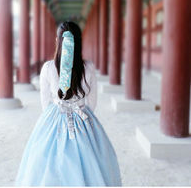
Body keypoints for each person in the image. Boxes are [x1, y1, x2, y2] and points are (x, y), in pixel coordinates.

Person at [15, 21, 122, 186]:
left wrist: (55, 117)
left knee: (48, 163)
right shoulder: (89, 67)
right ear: (79, 43)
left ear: (58, 41)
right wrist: (80, 111)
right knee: (91, 161)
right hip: (83, 117)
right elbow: (92, 102)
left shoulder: (48, 68)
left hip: (54, 118)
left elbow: (46, 104)